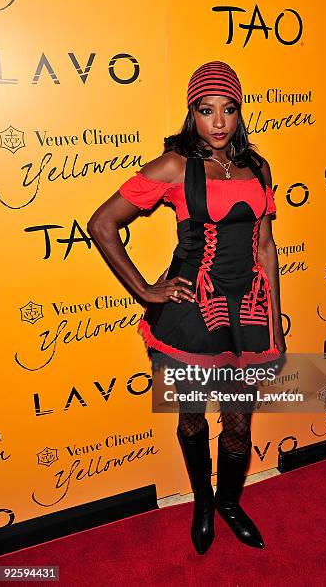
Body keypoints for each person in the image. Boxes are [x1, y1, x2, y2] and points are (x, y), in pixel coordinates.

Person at [87, 60, 286, 555]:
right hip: (191, 319)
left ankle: (230, 502)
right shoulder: (176, 166)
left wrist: (276, 325)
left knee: (239, 421)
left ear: (239, 113)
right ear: (191, 113)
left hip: (249, 316)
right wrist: (146, 290)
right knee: (192, 418)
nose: (218, 121)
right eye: (206, 109)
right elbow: (102, 222)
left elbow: (265, 247)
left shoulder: (258, 168)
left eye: (228, 109)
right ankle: (202, 501)